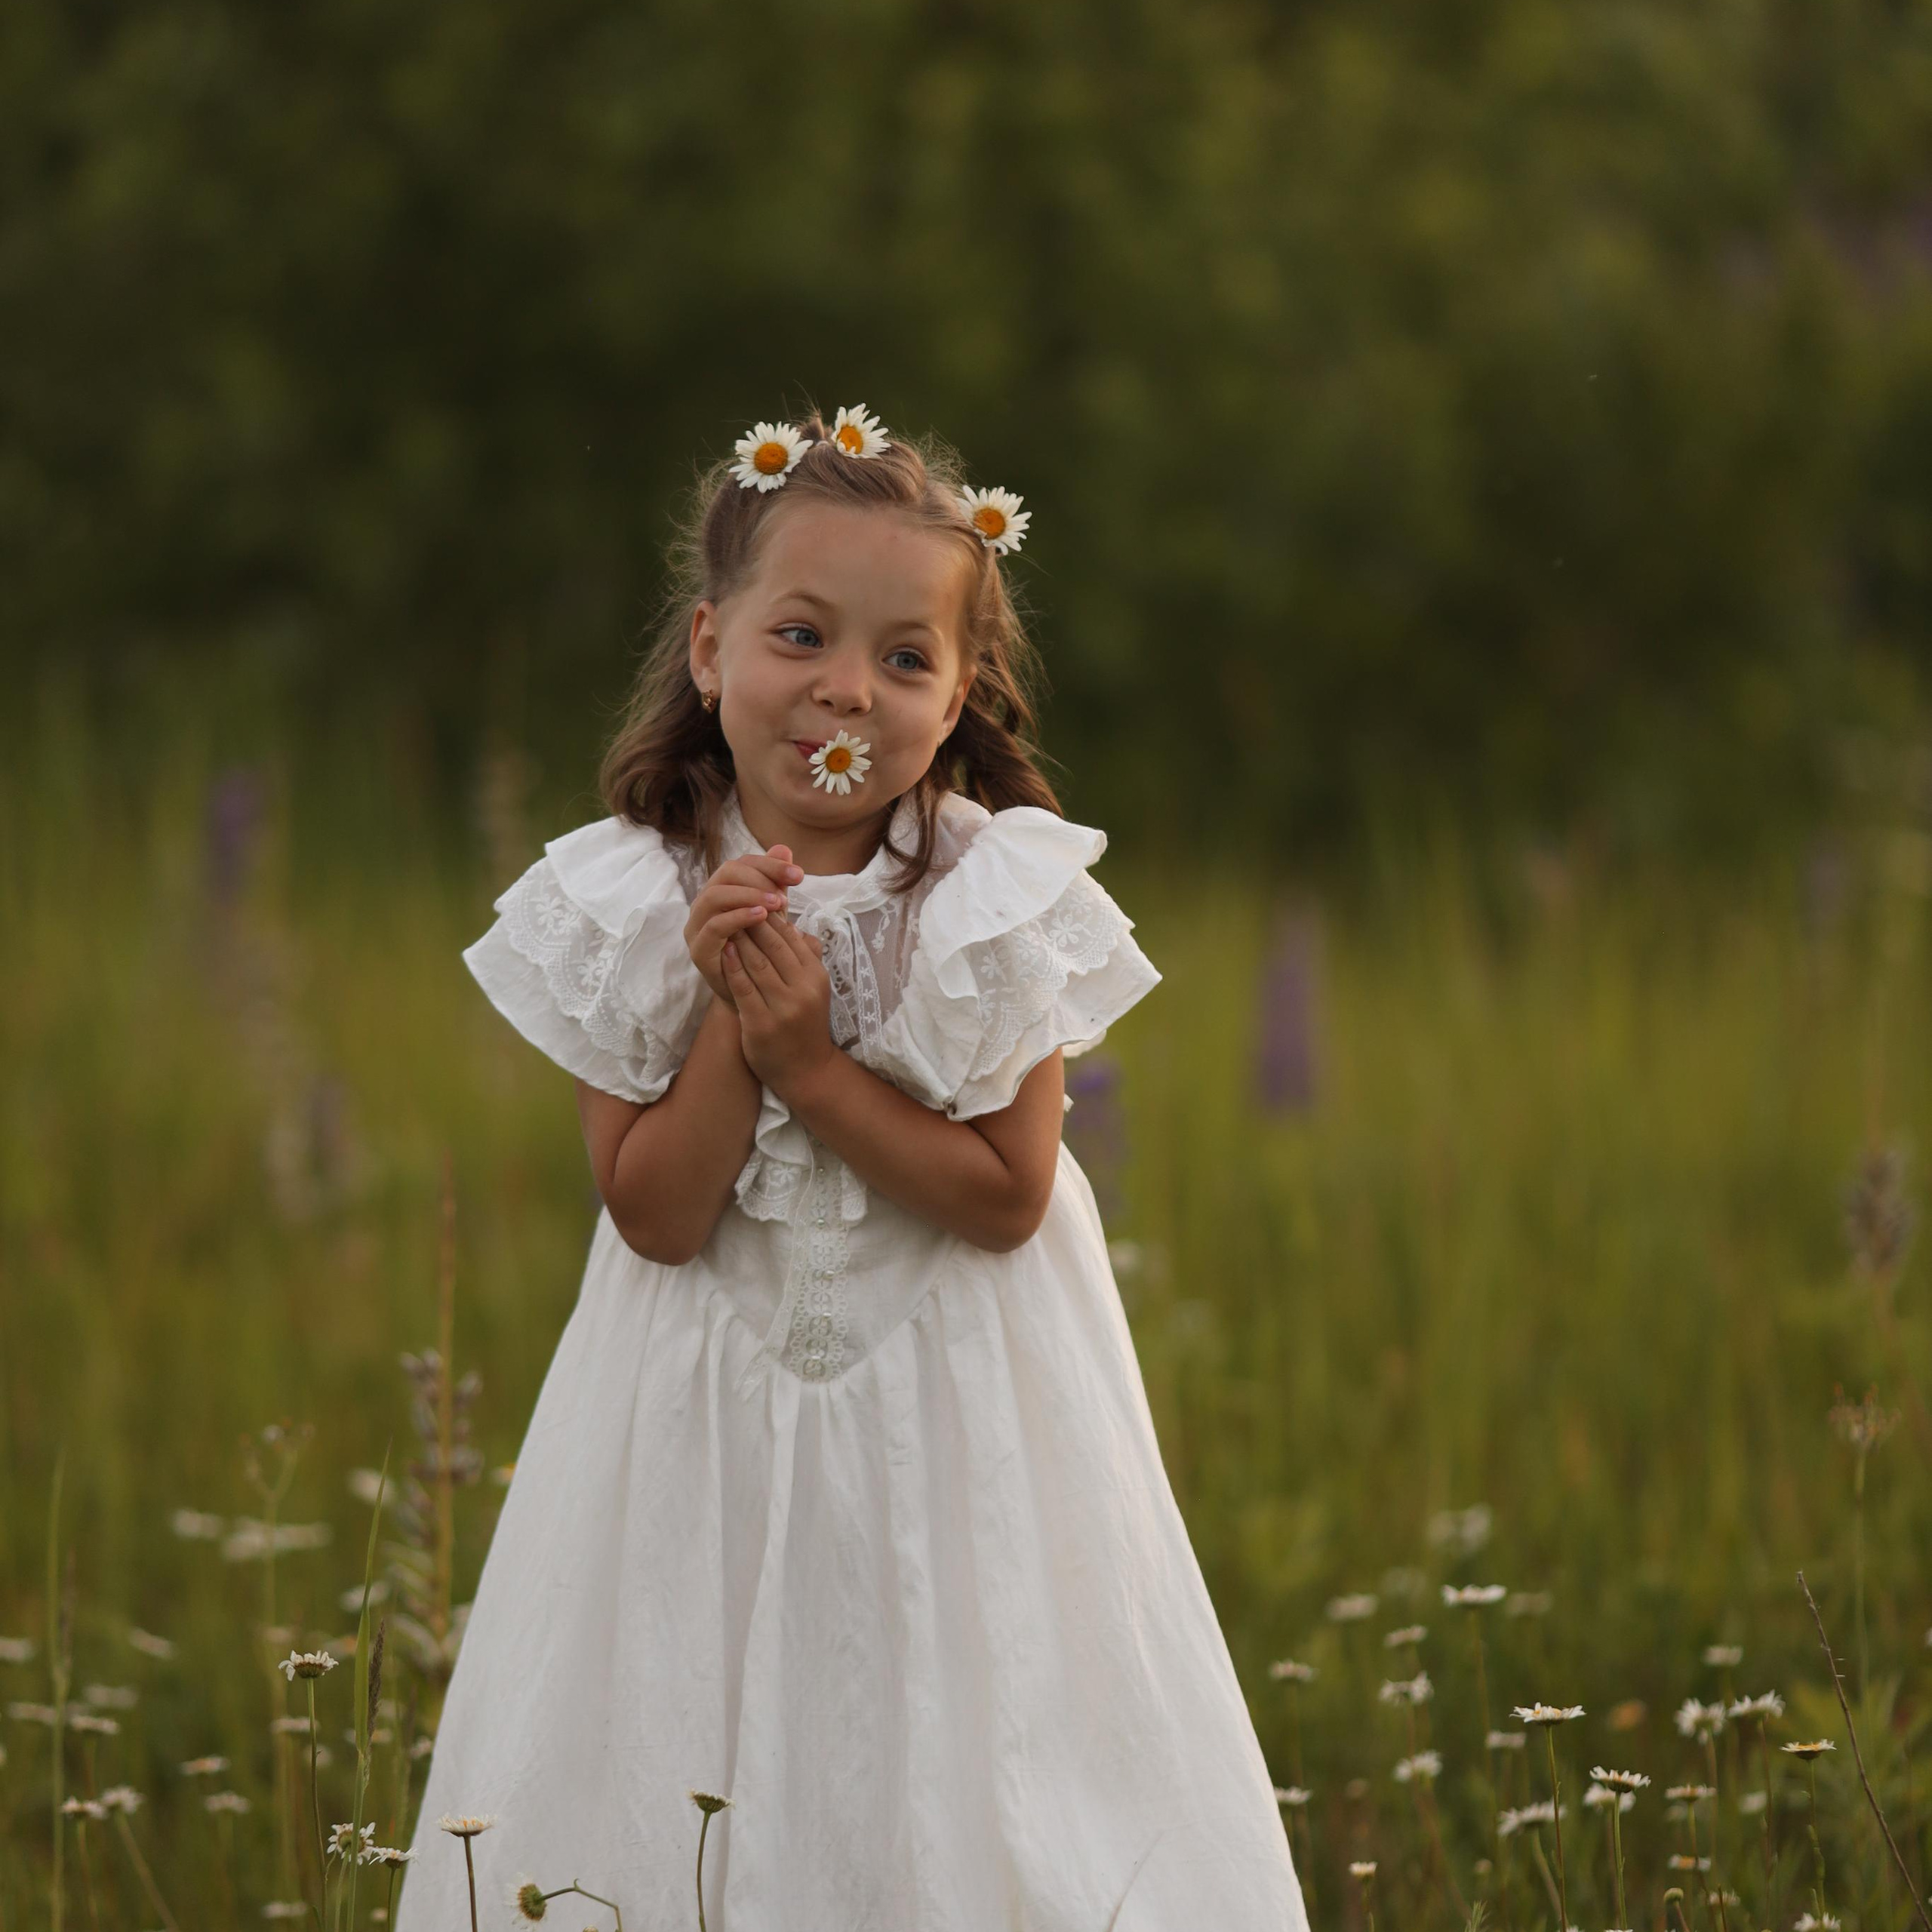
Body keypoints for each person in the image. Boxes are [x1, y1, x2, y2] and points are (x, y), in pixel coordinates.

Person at [396, 405, 1310, 1929]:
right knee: (682, 1738)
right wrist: (731, 1026)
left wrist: (814, 1064)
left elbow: (1010, 1195)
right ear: (707, 650)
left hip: (961, 1403)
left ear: (953, 703)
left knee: (971, 1740)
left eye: (903, 658)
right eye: (802, 634)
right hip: (694, 1405)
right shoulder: (632, 894)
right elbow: (657, 1215)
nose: (846, 689)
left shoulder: (986, 891)